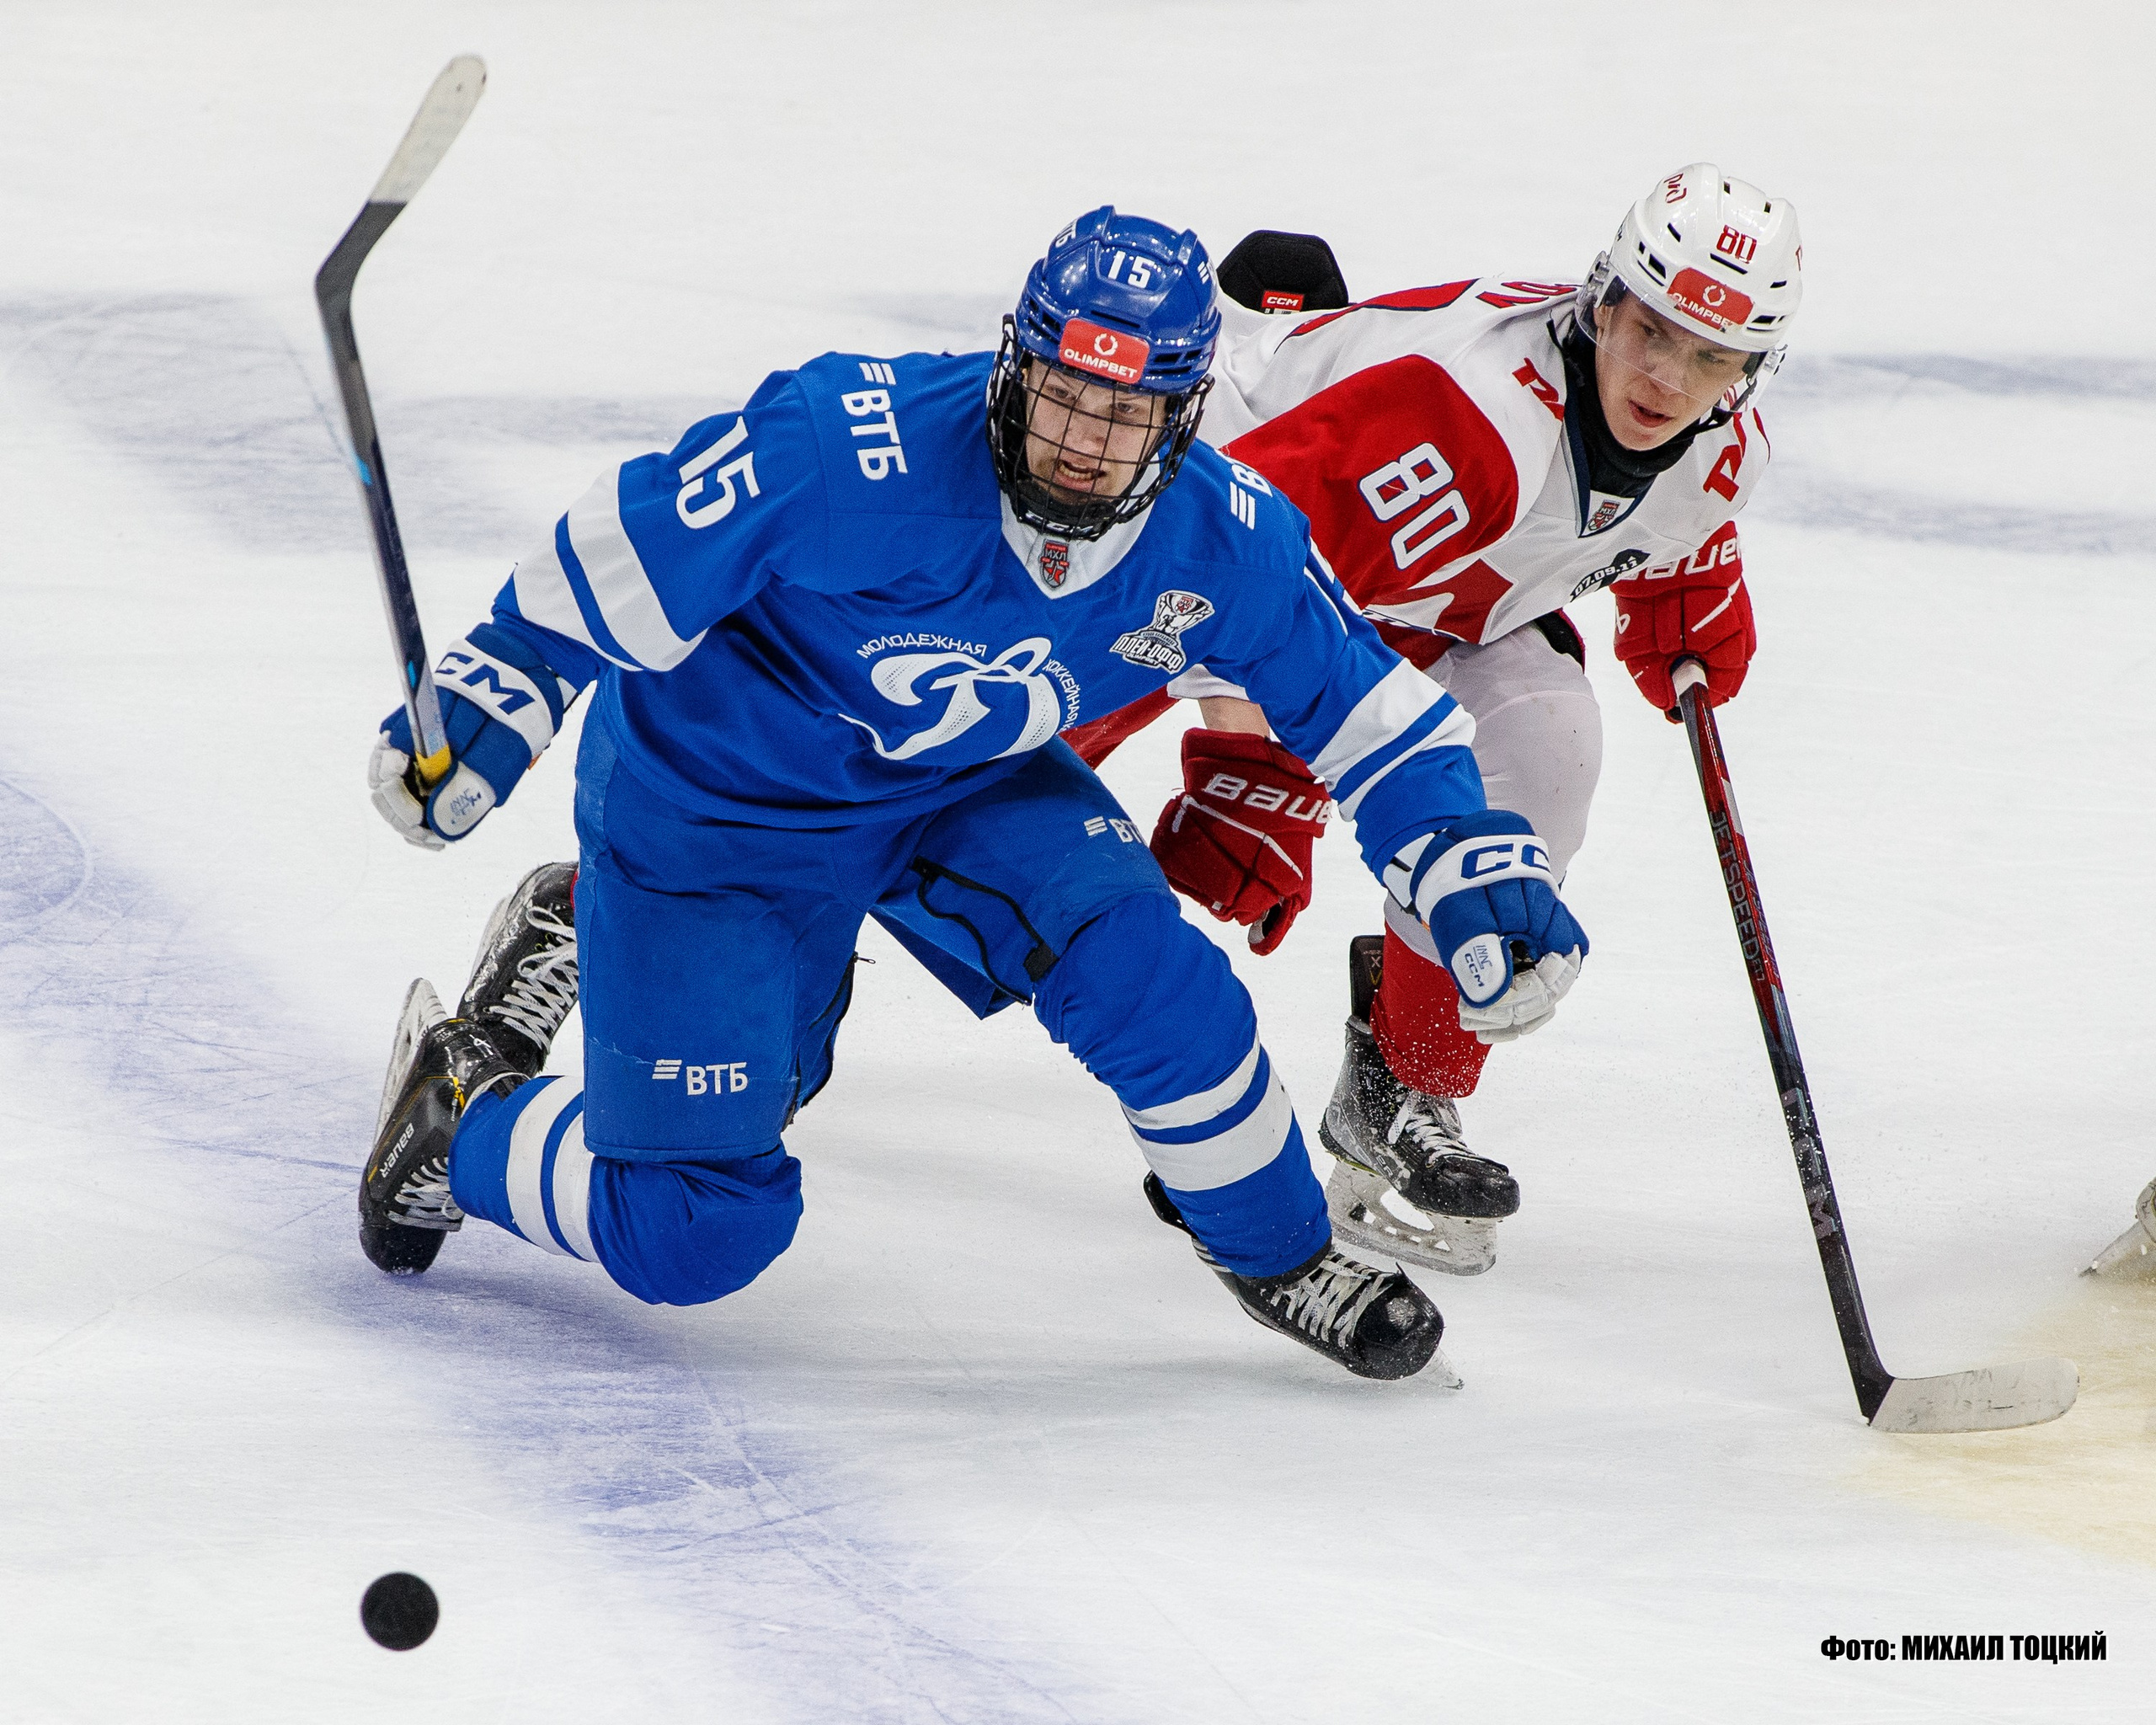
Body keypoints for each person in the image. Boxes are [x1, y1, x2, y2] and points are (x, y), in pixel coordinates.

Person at [356, 208, 1590, 1381]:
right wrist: (495, 691)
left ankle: (1281, 1253)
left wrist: (1466, 856)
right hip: (715, 808)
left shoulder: (1227, 535)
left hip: (963, 786)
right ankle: (460, 1120)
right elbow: (626, 546)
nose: (1085, 439)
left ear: (1184, 416)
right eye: (1065, 393)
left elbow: (1373, 714)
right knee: (694, 1227)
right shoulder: (846, 442)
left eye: (1128, 412)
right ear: (1015, 367)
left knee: (1152, 979)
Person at [1055, 165, 1801, 1275]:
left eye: (1710, 358)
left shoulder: (1719, 451)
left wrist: (1683, 595)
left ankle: (1400, 1089)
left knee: (1547, 745)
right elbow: (1225, 572)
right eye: (1652, 331)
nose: (1667, 377)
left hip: (1412, 587)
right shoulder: (1470, 427)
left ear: (1748, 374)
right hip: (1196, 501)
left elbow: (1666, 514)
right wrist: (1254, 762)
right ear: (1604, 301)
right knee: (994, 759)